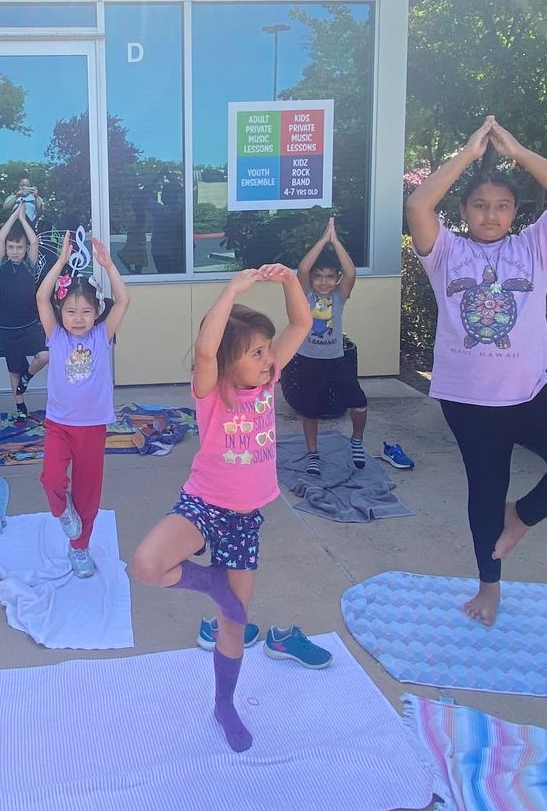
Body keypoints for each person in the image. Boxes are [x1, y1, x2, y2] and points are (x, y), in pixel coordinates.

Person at [405, 116, 547, 627]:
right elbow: (417, 206)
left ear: (516, 212)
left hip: (529, 392)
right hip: (468, 399)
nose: (490, 214)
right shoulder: (446, 252)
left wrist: (517, 152)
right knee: (485, 488)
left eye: (501, 206)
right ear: (464, 211)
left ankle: (521, 516)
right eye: (479, 205)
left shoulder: (533, 248)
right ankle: (488, 586)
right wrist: (469, 156)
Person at [130, 265, 311, 752]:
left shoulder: (266, 385)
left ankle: (224, 703)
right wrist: (232, 290)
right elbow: (207, 348)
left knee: (233, 621)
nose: (270, 359)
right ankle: (209, 582)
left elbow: (301, 326)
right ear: (231, 362)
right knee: (148, 564)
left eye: (268, 351)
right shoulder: (212, 392)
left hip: (244, 518)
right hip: (205, 503)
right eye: (257, 353)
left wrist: (292, 282)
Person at [35, 229, 130, 578]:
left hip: (92, 427)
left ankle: (80, 548)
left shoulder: (101, 336)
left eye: (85, 312)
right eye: (71, 311)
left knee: (89, 493)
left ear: (96, 314)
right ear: (62, 313)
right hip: (59, 424)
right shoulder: (55, 334)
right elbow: (42, 299)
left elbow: (123, 301)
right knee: (52, 478)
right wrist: (60, 261)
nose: (77, 317)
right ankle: (63, 512)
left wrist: (107, 265)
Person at [284, 217, 369, 470]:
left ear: (336, 279)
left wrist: (335, 241)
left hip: (336, 360)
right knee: (311, 410)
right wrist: (322, 240)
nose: (323, 281)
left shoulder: (339, 295)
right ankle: (313, 453)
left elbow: (351, 272)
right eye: (318, 277)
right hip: (309, 360)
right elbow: (301, 270)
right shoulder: (306, 294)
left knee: (359, 403)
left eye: (329, 277)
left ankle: (356, 441)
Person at [0, 204, 50, 420]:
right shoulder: (1, 265)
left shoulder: (29, 266)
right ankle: (20, 407)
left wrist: (23, 219)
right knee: (14, 368)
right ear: (6, 249)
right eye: (11, 247)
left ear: (25, 250)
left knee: (44, 355)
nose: (15, 251)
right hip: (7, 326)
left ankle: (27, 376)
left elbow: (34, 241)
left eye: (19, 248)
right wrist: (14, 215)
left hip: (30, 323)